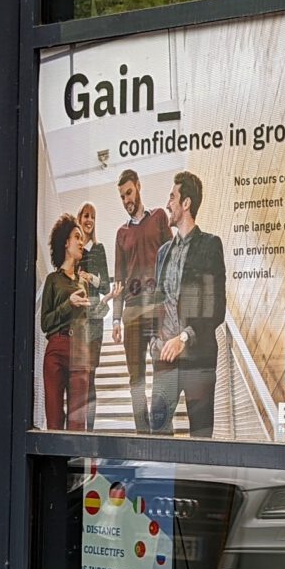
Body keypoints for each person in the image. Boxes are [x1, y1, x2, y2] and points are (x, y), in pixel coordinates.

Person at [149, 170, 226, 438]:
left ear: (186, 203)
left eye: (173, 197)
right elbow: (157, 303)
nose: (168, 203)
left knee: (201, 439)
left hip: (198, 360)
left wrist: (184, 337)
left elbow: (216, 307)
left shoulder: (210, 245)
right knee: (157, 436)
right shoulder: (162, 253)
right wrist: (153, 342)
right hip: (165, 361)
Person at [111, 170, 171, 431]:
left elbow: (172, 259)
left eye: (129, 192)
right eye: (122, 196)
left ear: (138, 187)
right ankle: (141, 431)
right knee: (136, 377)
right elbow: (119, 281)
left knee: (162, 371)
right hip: (133, 312)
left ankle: (161, 428)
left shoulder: (159, 217)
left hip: (158, 309)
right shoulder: (121, 234)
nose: (126, 199)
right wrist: (115, 318)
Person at [39, 214, 99, 430]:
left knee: (77, 425)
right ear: (66, 242)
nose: (82, 242)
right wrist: (68, 304)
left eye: (82, 238)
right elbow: (45, 322)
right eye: (77, 237)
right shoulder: (53, 280)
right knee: (54, 421)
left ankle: (75, 464)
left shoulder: (84, 282)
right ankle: (55, 465)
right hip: (57, 347)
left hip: (80, 351)